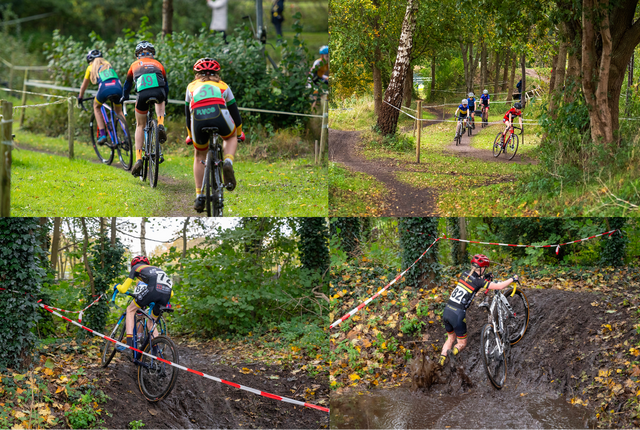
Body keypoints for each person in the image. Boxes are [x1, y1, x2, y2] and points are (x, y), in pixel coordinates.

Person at [184, 58, 245, 213]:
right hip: (220, 116)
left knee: (199, 155)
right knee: (230, 137)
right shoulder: (223, 86)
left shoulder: (191, 87)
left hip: (198, 120)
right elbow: (235, 113)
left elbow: (187, 115)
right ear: (217, 73)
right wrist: (239, 133)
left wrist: (190, 136)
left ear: (197, 74)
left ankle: (199, 195)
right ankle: (228, 162)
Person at [438, 254, 519, 366]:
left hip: (447, 311)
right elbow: (499, 286)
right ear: (482, 268)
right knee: (461, 343)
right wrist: (512, 279)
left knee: (450, 338)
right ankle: (453, 352)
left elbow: (475, 280)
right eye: (484, 268)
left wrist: (485, 277)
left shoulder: (464, 274)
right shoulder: (478, 282)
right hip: (457, 314)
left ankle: (440, 362)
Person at [121, 41, 169, 177]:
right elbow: (165, 86)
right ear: (152, 54)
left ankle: (138, 158)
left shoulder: (134, 65)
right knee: (161, 98)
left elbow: (127, 85)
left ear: (138, 56)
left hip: (142, 95)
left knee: (140, 125)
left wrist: (124, 97)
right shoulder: (158, 64)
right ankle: (160, 124)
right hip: (159, 92)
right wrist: (166, 98)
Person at [114, 255, 173, 352]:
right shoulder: (156, 269)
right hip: (166, 294)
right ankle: (155, 351)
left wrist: (118, 286)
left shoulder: (135, 268)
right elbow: (171, 293)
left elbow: (124, 289)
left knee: (130, 310)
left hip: (153, 290)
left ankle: (129, 345)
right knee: (151, 322)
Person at [77, 50, 123, 145]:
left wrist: (80, 97)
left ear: (89, 61)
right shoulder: (107, 63)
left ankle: (103, 135)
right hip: (117, 86)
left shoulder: (90, 67)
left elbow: (83, 86)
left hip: (104, 88)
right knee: (119, 111)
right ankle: (126, 136)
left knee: (96, 106)